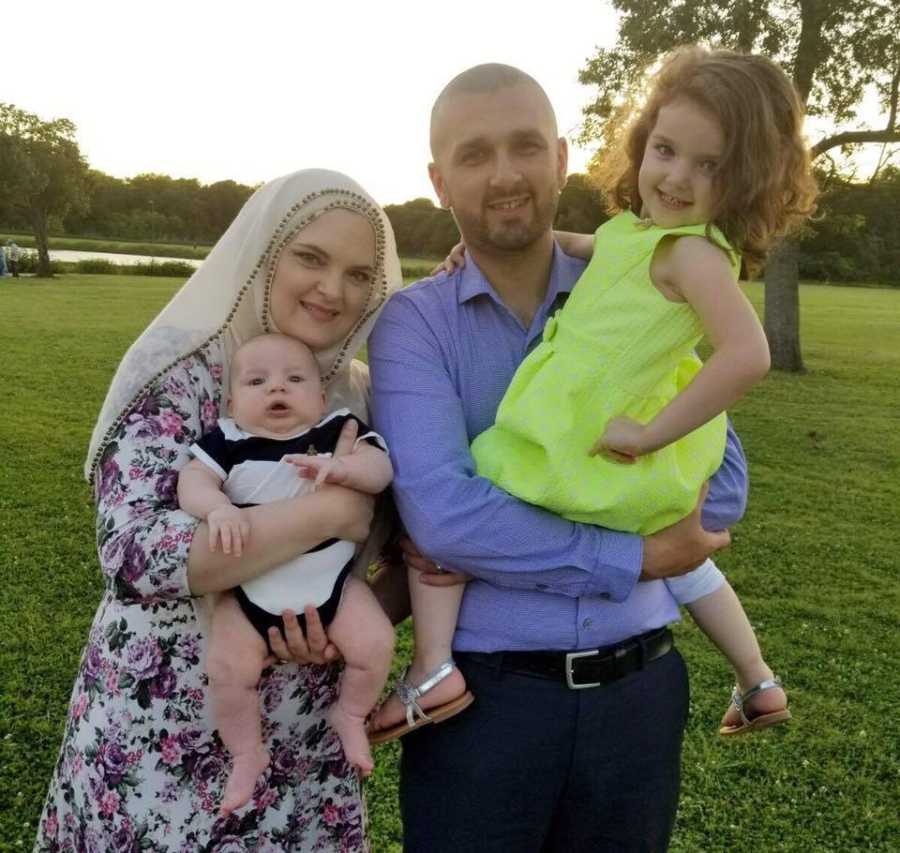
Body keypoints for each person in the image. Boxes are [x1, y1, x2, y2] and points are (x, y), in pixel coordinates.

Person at [370, 48, 816, 753]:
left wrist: (649, 427)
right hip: (487, 706)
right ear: (440, 181)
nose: (507, 174)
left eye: (525, 148)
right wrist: (641, 554)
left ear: (561, 157)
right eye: (475, 154)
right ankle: (432, 673)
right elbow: (447, 520)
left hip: (639, 690)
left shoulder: (649, 299)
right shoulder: (417, 323)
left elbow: (721, 494)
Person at [34, 169, 403, 851]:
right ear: (267, 251)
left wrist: (350, 619)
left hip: (305, 739)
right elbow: (137, 553)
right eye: (311, 257)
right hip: (162, 724)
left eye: (358, 273)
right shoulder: (180, 364)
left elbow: (419, 546)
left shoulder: (360, 395)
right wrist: (331, 515)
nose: (333, 290)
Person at [178, 332, 395, 815]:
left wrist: (346, 470)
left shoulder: (336, 430)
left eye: (294, 379)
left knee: (376, 643)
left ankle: (351, 712)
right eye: (258, 381)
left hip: (332, 585)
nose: (277, 389)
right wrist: (216, 509)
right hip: (251, 595)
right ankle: (246, 752)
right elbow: (190, 482)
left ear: (321, 396)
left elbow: (380, 470)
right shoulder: (228, 441)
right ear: (232, 401)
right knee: (227, 669)